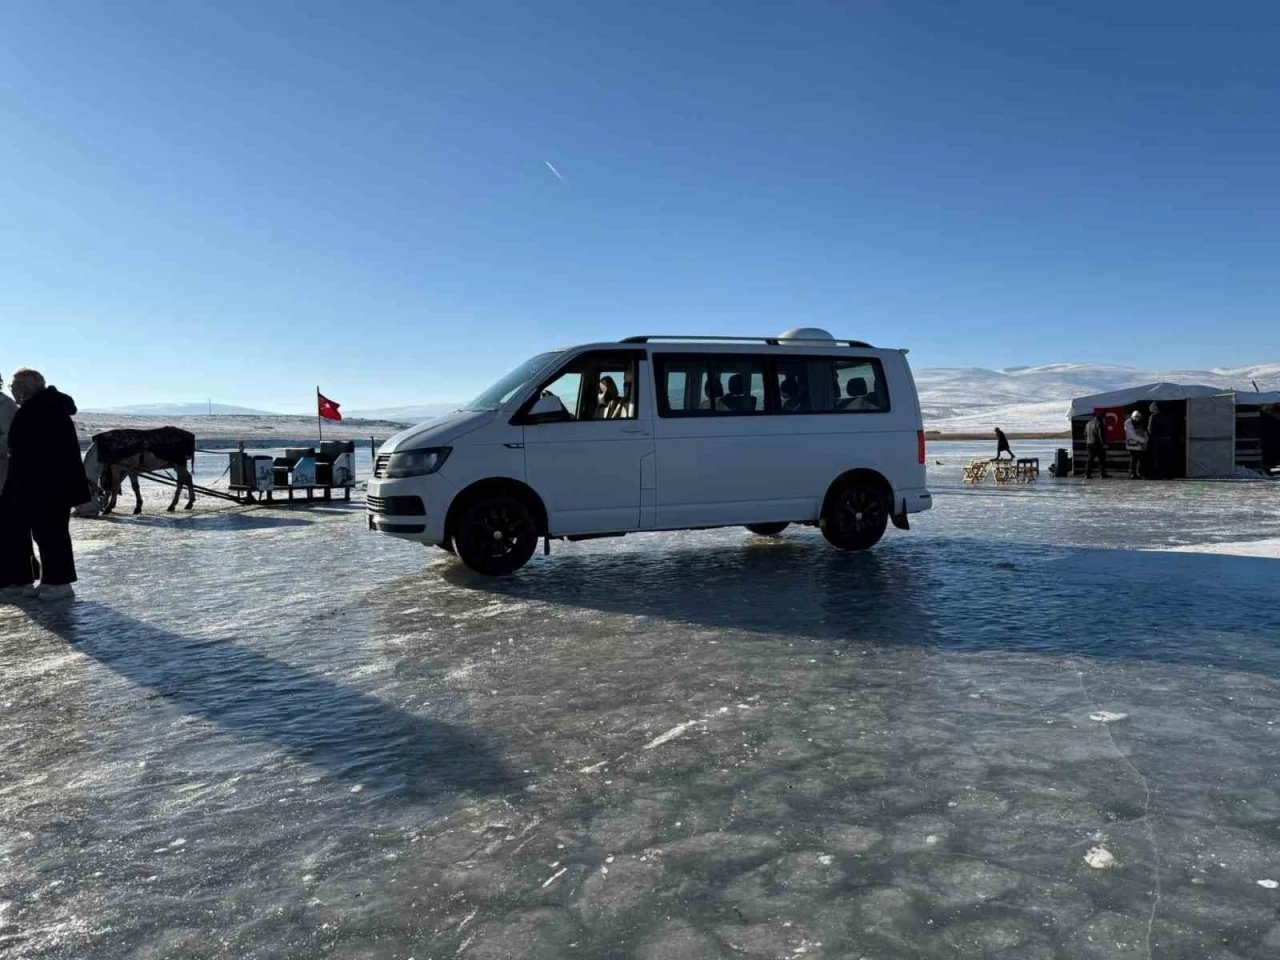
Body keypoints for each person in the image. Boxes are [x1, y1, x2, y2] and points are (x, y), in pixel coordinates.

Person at [5, 368, 90, 601]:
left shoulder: (44, 409)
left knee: (52, 533)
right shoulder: (40, 408)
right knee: (42, 533)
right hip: (38, 484)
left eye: (18, 386)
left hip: (47, 485)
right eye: (13, 387)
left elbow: (41, 452)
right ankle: (45, 580)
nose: (14, 391)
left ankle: (59, 582)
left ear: (30, 386)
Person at [1147, 402, 1173, 480]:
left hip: (1158, 439)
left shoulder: (1153, 416)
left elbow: (1150, 430)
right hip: (1167, 439)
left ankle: (1159, 474)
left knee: (1158, 457)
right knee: (1167, 457)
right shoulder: (1168, 416)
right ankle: (1168, 474)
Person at [1124, 409, 1149, 479]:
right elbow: (1132, 435)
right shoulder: (1128, 423)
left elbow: (1144, 432)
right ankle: (1132, 473)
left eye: (1139, 417)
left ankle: (1138, 473)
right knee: (1133, 459)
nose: (1138, 419)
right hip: (1132, 444)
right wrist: (1143, 440)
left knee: (1139, 459)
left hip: (1139, 444)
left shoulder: (1139, 423)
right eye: (1137, 417)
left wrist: (1146, 440)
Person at [1084, 411, 1108, 479]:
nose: (1104, 419)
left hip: (1089, 443)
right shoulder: (1099, 422)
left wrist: (1088, 441)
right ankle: (1102, 474)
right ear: (1102, 417)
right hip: (1097, 443)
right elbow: (1101, 434)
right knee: (1101, 460)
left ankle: (1087, 474)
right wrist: (1103, 443)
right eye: (1104, 417)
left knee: (1090, 459)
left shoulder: (1088, 423)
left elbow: (1085, 434)